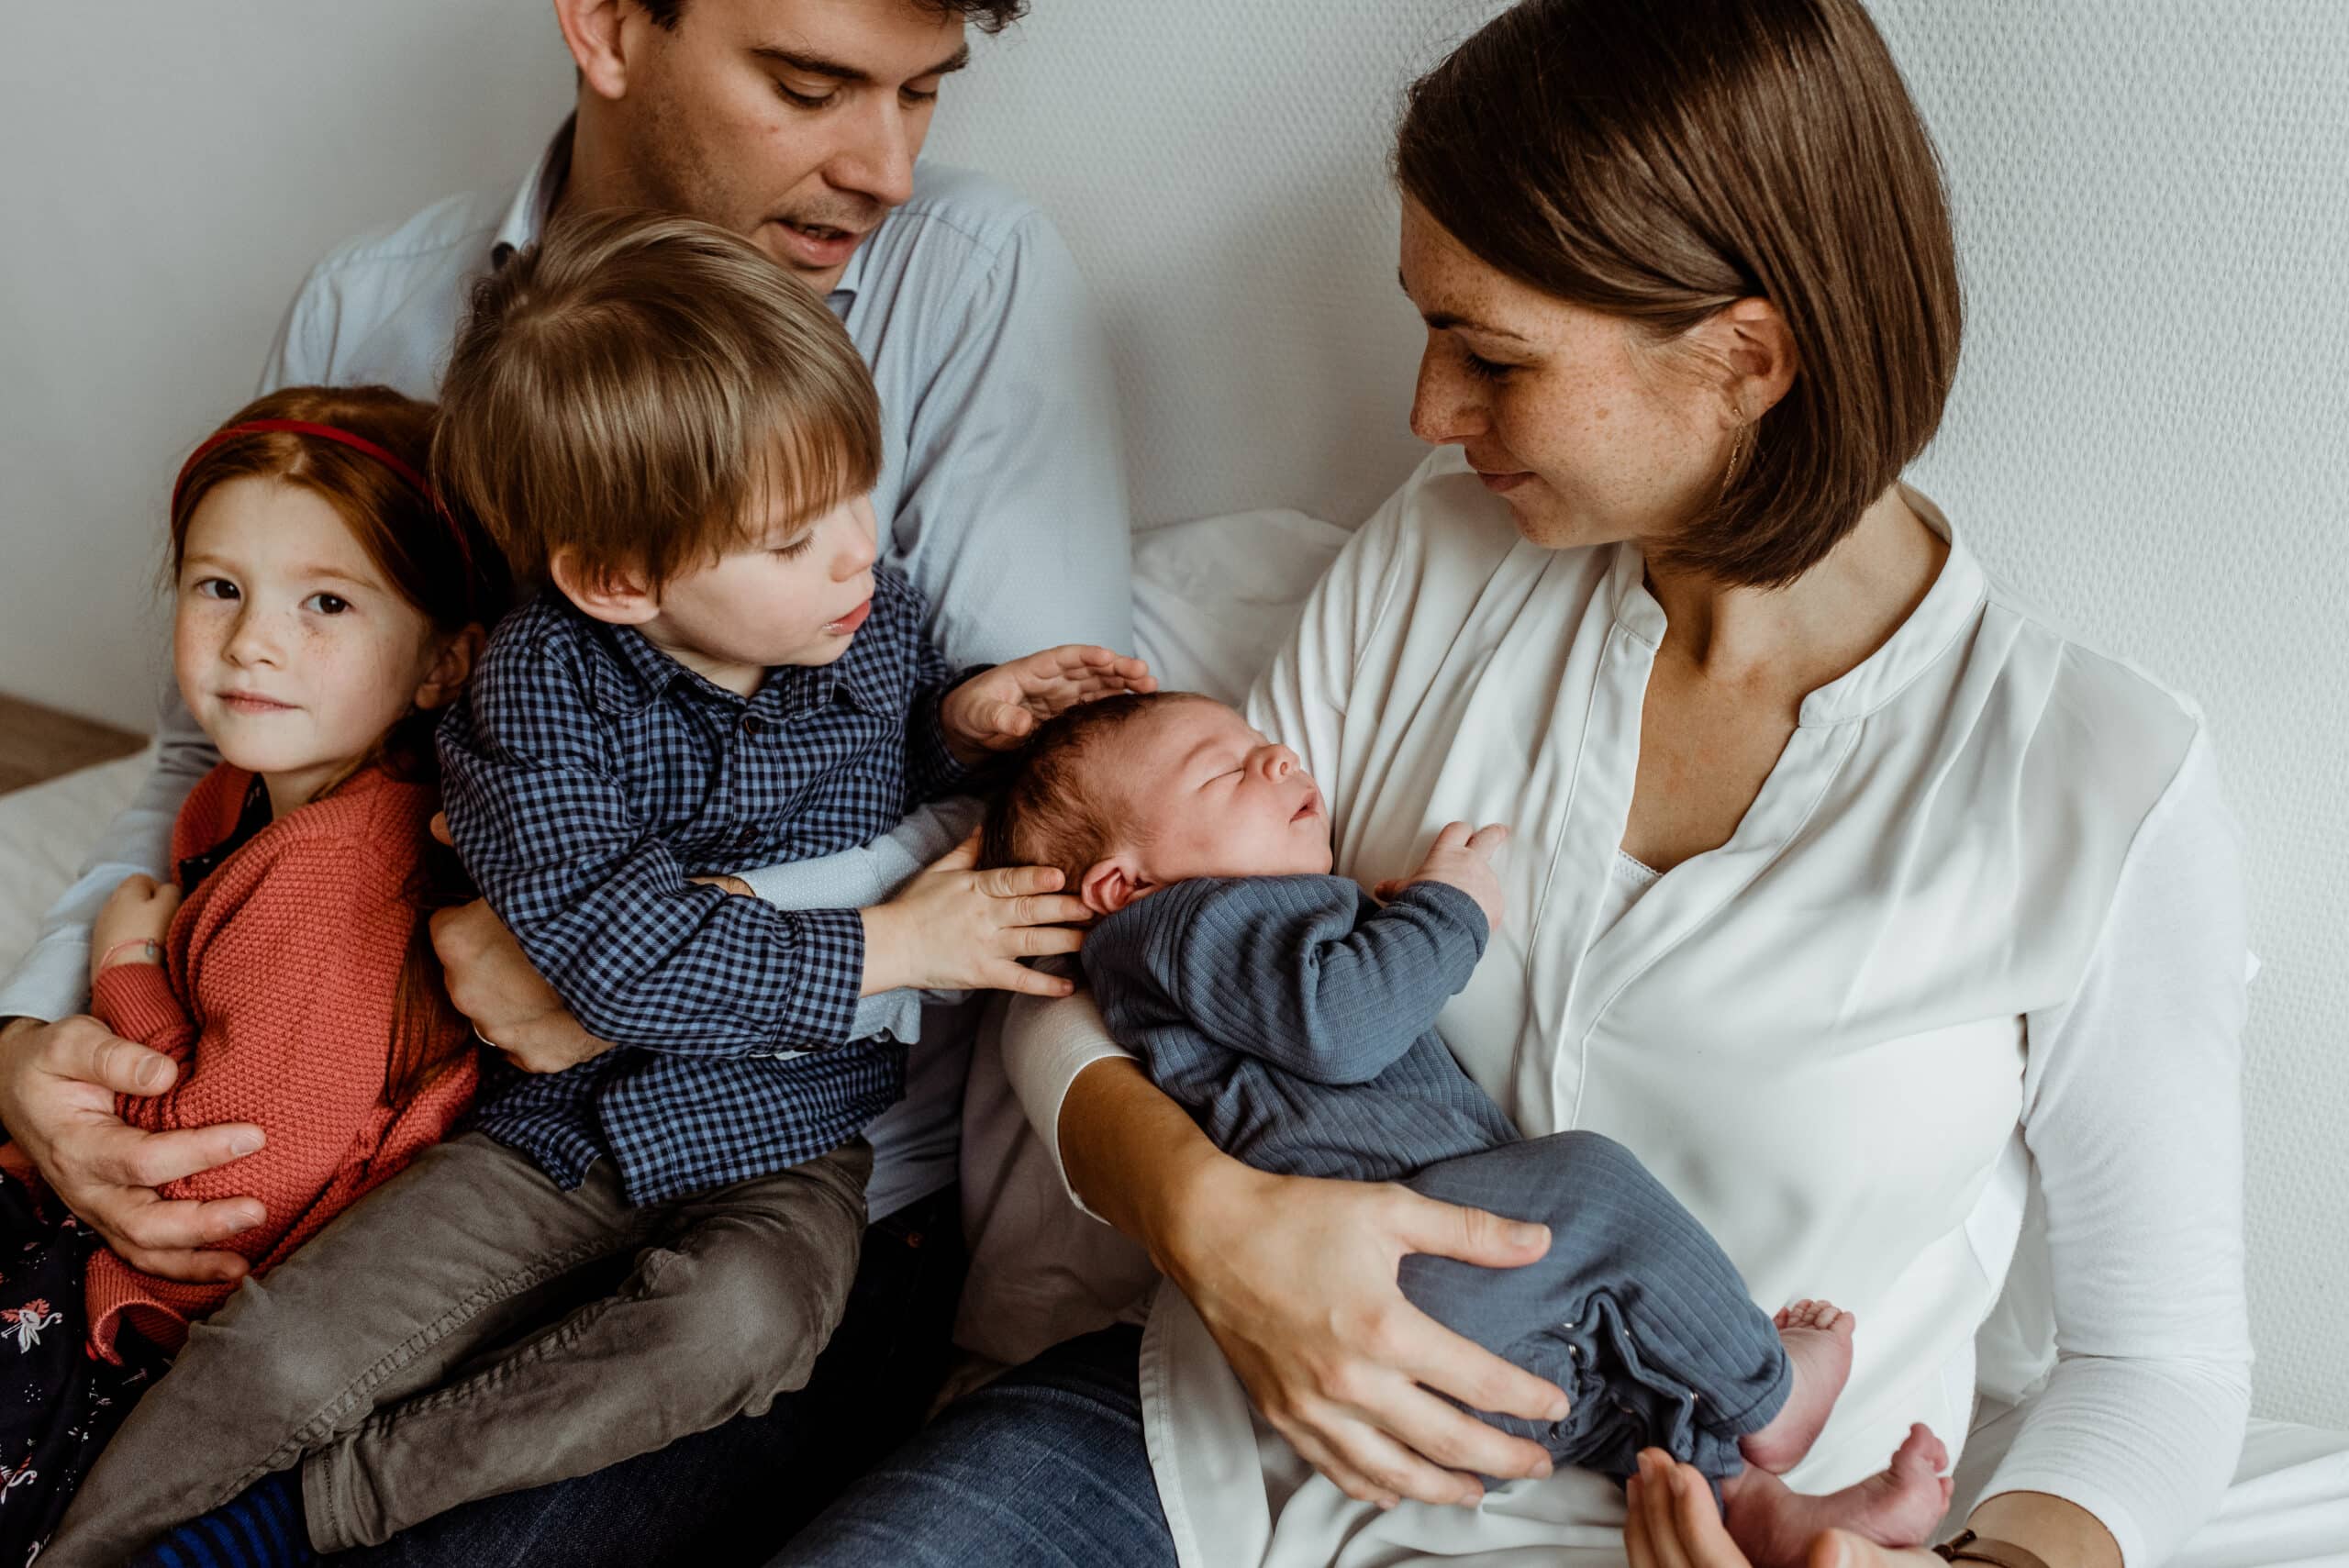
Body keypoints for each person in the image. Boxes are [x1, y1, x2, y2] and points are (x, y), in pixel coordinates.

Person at [772, 2, 2253, 1566]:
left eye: (1490, 355)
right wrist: (1208, 1220)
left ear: (1747, 356)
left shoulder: (2093, 780)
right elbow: (1091, 948)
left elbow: (2158, 1360)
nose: (1430, 411)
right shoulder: (1442, 552)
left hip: (1677, 1520)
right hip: (1213, 1442)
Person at [0, 0, 1130, 1558]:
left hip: (813, 1157)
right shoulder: (388, 341)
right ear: (603, 23)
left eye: (923, 91)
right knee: (267, 1366)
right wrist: (30, 1031)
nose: (885, 165)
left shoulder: (967, 304)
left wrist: (945, 746)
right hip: (486, 1127)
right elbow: (210, 750)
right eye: (810, 85)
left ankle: (292, 1515)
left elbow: (1035, 819)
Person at [978, 689, 1954, 1568]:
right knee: (1591, 1185)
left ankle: (1756, 1507)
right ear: (1122, 886)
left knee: (1620, 1369)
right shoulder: (1185, 924)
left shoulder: (1218, 944)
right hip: (1395, 1273)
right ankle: (1764, 1393)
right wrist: (1449, 908)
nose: (1276, 757)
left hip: (1443, 1345)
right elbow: (1343, 1024)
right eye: (1224, 769)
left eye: (1263, 741)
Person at [0, 385, 507, 1561]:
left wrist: (125, 965)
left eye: (326, 601)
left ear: (444, 661)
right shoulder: (245, 793)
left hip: (170, 1311)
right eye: (218, 586)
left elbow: (231, 1181)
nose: (250, 642)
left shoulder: (344, 871)